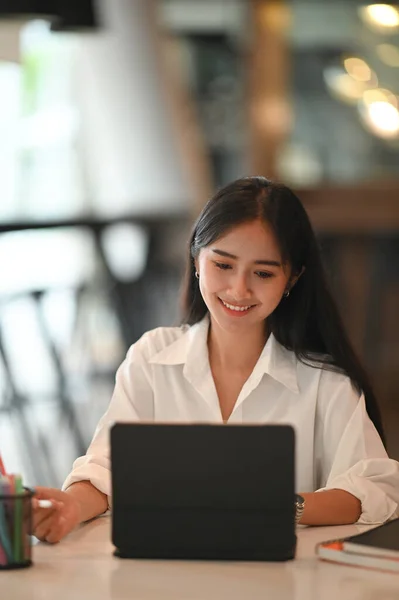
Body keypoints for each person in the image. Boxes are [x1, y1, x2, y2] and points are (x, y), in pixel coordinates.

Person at [32, 176, 399, 543]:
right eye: (223, 265)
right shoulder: (152, 357)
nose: (239, 289)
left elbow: (375, 488)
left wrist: (281, 505)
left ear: (292, 279)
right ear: (196, 257)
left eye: (263, 273)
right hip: (164, 576)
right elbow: (107, 470)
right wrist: (71, 506)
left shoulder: (324, 381)